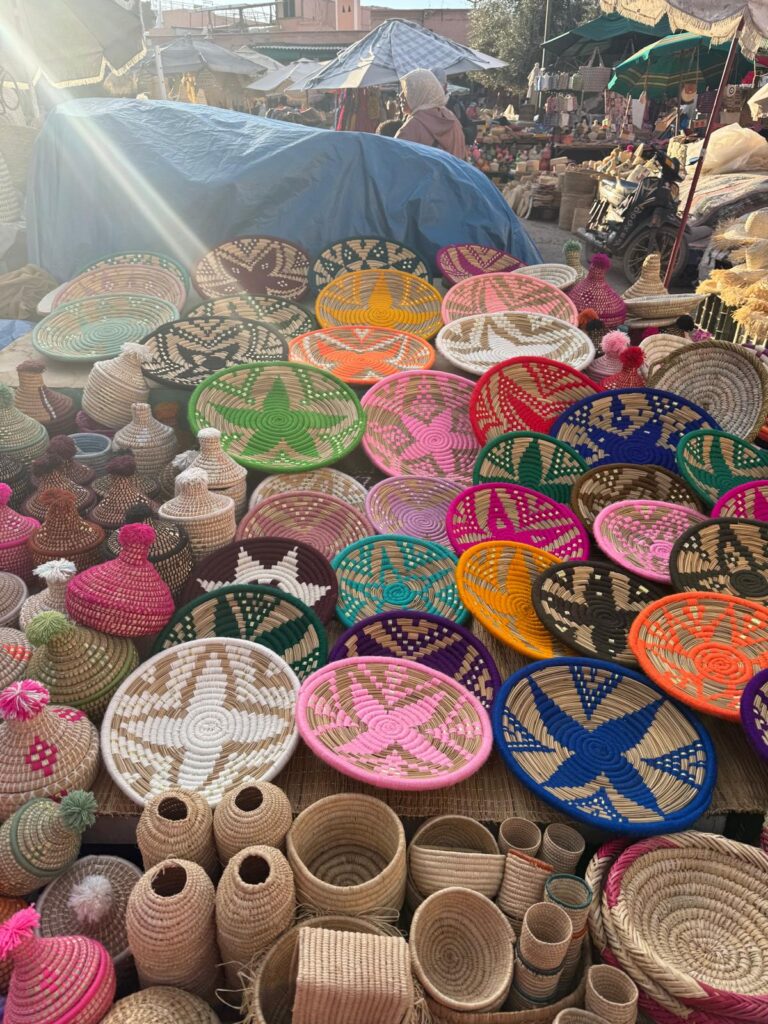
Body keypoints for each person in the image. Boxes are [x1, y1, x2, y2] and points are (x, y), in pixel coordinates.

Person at [394, 69, 466, 159]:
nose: (401, 95)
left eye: (408, 89)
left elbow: (396, 162)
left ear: (421, 92)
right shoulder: (452, 119)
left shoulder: (412, 126)